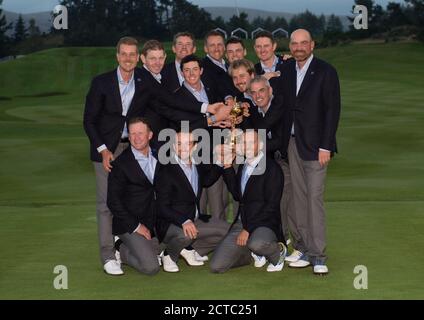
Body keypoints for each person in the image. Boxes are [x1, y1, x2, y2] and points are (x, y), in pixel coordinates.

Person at [83, 36, 147, 275]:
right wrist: (103, 150)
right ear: (117, 56)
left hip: (131, 150)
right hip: (106, 150)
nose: (128, 58)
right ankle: (108, 256)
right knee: (106, 205)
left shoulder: (143, 80)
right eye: (124, 54)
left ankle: (123, 247)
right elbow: (89, 120)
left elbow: (165, 104)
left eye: (133, 54)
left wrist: (206, 112)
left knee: (131, 201)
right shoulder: (101, 83)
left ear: (138, 56)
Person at [281, 29, 341, 275]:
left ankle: (318, 255)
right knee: (298, 199)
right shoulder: (286, 70)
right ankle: (303, 247)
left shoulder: (326, 71)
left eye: (303, 43)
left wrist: (326, 145)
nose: (299, 47)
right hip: (292, 143)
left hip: (317, 148)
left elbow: (332, 110)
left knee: (313, 200)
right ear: (290, 46)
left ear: (312, 45)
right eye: (294, 43)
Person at [209, 131, 287, 273]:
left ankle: (277, 252)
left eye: (252, 142)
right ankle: (251, 253)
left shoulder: (272, 169)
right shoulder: (244, 166)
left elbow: (271, 206)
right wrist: (227, 167)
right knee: (217, 266)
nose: (248, 146)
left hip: (264, 223)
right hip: (242, 222)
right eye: (244, 143)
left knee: (257, 243)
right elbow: (238, 196)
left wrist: (248, 229)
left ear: (261, 145)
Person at [155, 131, 230, 272]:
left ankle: (189, 249)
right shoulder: (165, 169)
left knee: (228, 231)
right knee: (185, 235)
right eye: (178, 143)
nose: (183, 147)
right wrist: (184, 221)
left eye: (187, 144)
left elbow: (207, 181)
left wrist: (220, 162)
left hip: (194, 218)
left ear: (194, 147)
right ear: (172, 146)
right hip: (171, 222)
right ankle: (168, 254)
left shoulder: (195, 163)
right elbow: (161, 207)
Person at [107, 117, 160, 275]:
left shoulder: (161, 156)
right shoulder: (120, 165)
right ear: (128, 137)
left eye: (140, 133)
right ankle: (121, 248)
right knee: (151, 267)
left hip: (156, 222)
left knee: (180, 239)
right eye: (132, 134)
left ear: (150, 135)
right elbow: (113, 201)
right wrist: (136, 226)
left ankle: (152, 247)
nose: (136, 138)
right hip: (130, 225)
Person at [247, 75, 292, 246]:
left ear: (270, 90)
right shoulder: (255, 112)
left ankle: (284, 239)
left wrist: (254, 145)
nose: (258, 96)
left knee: (284, 201)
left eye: (262, 90)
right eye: (254, 93)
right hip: (269, 163)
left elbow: (280, 141)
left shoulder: (278, 106)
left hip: (285, 161)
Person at [202, 30, 237, 101]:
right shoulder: (202, 68)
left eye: (219, 44)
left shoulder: (229, 66)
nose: (216, 49)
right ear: (206, 49)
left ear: (224, 47)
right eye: (212, 45)